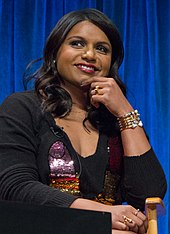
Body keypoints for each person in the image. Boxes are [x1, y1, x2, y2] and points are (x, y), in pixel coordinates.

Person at [0, 8, 167, 234]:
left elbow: (149, 195)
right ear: (54, 53)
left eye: (102, 49)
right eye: (77, 43)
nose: (90, 55)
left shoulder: (115, 121)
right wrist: (99, 216)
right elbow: (14, 186)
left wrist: (124, 111)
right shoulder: (21, 107)